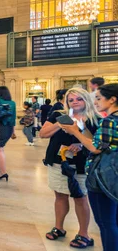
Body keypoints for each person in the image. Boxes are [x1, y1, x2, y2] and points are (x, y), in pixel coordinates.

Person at [62, 84, 118, 250]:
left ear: (113, 99)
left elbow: (96, 147)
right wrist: (82, 127)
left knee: (106, 223)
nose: (96, 102)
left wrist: (75, 132)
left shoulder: (109, 120)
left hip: (104, 176)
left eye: (99, 98)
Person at [42, 87, 99, 248]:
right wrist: (60, 124)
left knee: (80, 197)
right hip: (57, 160)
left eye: (79, 99)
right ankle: (58, 227)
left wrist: (80, 143)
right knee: (59, 195)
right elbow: (43, 134)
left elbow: (96, 142)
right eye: (71, 100)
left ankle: (83, 234)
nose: (75, 102)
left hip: (80, 164)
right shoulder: (58, 115)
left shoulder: (93, 118)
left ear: (86, 100)